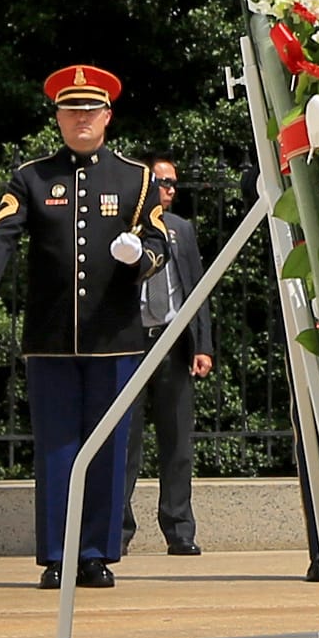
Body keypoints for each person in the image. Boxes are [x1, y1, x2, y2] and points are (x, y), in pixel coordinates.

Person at [0, 64, 168, 589]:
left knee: (107, 446)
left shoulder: (136, 177)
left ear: (107, 115)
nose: (80, 118)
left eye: (90, 109)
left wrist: (139, 257)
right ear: (57, 117)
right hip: (51, 337)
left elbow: (159, 246)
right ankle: (59, 553)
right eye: (70, 110)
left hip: (114, 338)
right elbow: (0, 236)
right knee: (58, 445)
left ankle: (96, 553)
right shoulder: (32, 177)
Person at [133, 157, 218, 556]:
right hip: (131, 343)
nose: (168, 189)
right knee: (125, 441)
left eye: (172, 184)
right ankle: (118, 532)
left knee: (178, 442)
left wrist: (202, 345)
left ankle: (180, 529)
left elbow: (196, 289)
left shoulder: (181, 229)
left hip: (172, 342)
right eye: (162, 182)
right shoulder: (126, 227)